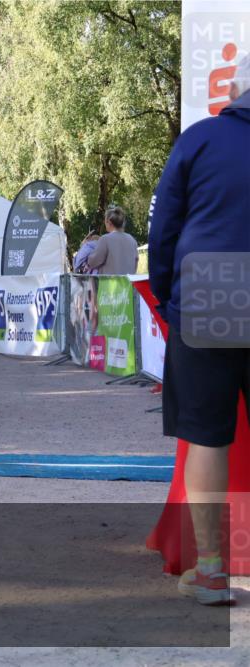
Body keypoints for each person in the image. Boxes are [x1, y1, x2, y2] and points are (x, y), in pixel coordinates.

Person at [146, 54, 250, 605]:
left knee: (207, 435)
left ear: (233, 92)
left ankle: (211, 571)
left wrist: (166, 293)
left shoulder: (201, 138)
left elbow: (163, 226)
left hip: (210, 290)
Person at [86, 207, 138, 275]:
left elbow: (92, 262)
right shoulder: (132, 240)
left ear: (109, 222)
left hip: (109, 284)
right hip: (128, 283)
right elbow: (135, 263)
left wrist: (86, 247)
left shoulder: (105, 239)